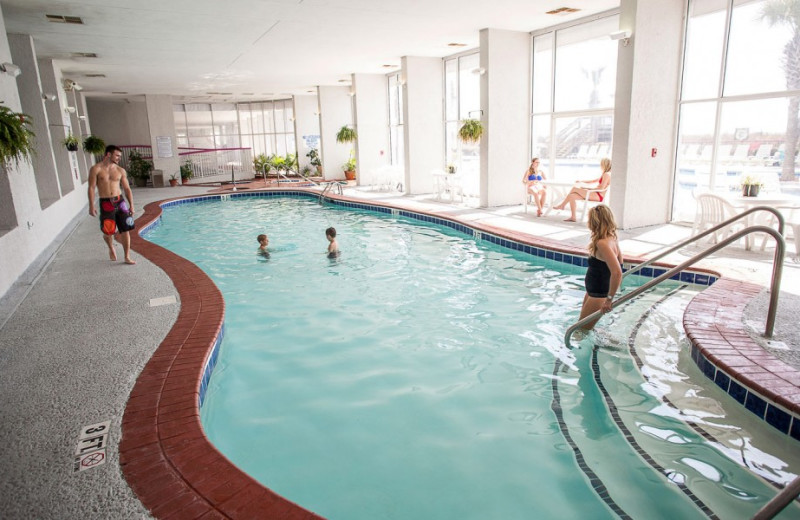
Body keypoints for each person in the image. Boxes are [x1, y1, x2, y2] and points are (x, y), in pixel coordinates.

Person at [88, 145, 136, 264]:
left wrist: (132, 205)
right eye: (117, 155)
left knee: (126, 229)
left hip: (120, 202)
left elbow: (127, 189)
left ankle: (127, 256)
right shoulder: (96, 169)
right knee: (108, 232)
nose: (119, 158)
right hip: (106, 202)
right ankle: (111, 247)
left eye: (120, 156)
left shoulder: (120, 170)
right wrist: (91, 205)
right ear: (108, 154)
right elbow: (91, 187)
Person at [579, 204, 623, 330]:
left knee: (580, 331)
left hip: (598, 295)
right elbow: (620, 261)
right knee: (583, 328)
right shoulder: (611, 238)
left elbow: (617, 272)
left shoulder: (602, 243)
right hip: (594, 292)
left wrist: (609, 299)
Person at [553, 157, 612, 222]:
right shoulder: (605, 173)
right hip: (594, 194)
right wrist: (581, 181)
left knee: (574, 189)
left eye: (601, 164)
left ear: (604, 164)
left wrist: (586, 188)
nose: (600, 166)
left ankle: (562, 205)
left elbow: (601, 188)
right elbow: (593, 181)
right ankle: (573, 217)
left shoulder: (607, 174)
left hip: (598, 196)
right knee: (571, 196)